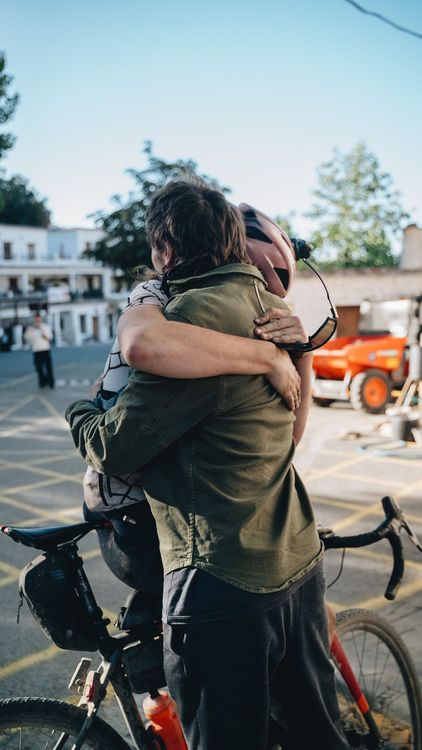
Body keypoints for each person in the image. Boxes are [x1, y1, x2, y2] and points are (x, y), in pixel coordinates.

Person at [66, 180, 349, 750]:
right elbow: (290, 437)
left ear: (163, 251)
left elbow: (116, 446)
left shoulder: (184, 322)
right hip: (297, 563)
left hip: (224, 582)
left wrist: (80, 409)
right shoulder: (275, 310)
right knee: (316, 734)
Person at [24, 313, 55, 389]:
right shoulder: (31, 328)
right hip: (36, 350)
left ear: (40, 319)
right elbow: (26, 338)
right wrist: (31, 329)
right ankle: (42, 383)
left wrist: (41, 329)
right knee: (39, 369)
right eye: (36, 319)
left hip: (45, 349)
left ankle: (51, 383)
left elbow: (49, 338)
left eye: (39, 319)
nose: (37, 320)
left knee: (49, 368)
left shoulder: (45, 327)